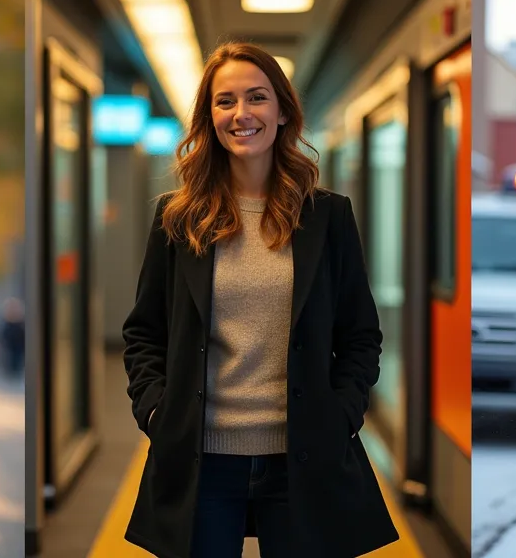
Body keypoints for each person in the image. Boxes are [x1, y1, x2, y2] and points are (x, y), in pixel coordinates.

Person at [121, 42, 399, 557]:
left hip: (304, 459)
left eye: (257, 97)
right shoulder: (177, 219)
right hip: (200, 461)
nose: (241, 114)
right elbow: (144, 332)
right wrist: (157, 413)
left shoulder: (327, 217)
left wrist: (342, 417)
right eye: (225, 101)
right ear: (209, 117)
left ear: (282, 110)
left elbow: (360, 335)